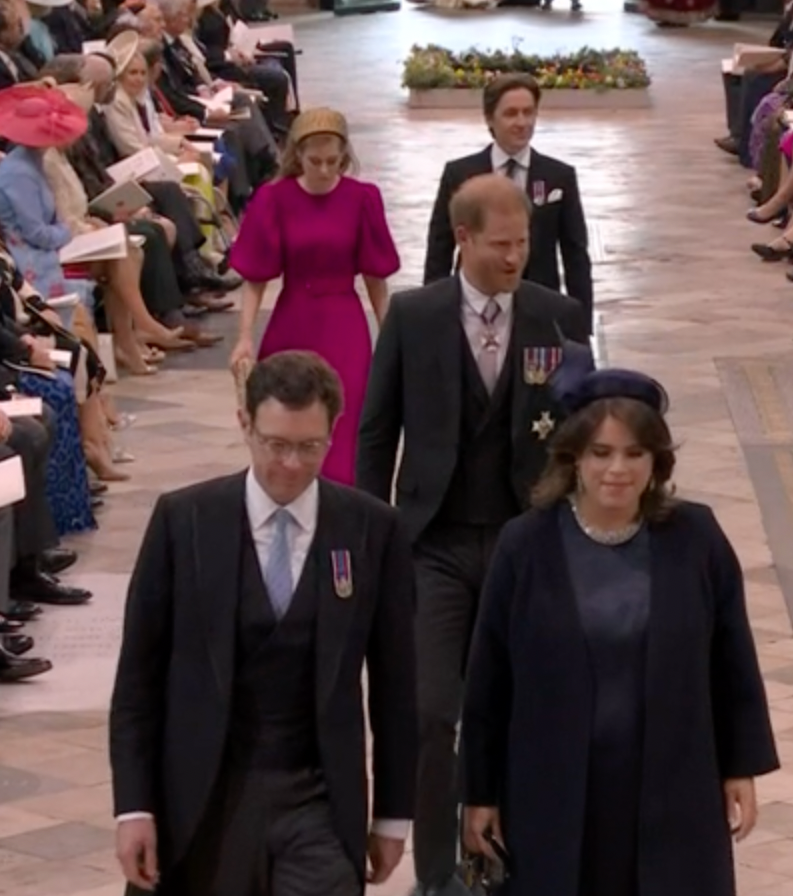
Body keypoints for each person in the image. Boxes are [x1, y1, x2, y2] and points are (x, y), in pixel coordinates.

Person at [461, 343, 779, 896]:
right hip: (553, 786)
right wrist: (479, 792)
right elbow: (490, 679)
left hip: (672, 782)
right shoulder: (525, 545)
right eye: (601, 452)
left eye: (634, 454)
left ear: (656, 462)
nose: (617, 469)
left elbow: (732, 662)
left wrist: (739, 767)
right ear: (573, 459)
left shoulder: (696, 538)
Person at [110, 351, 417, 896]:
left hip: (317, 797)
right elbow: (138, 682)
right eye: (276, 444)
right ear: (245, 424)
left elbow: (397, 686)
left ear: (333, 433)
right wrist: (134, 806)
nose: (292, 464)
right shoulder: (185, 523)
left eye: (309, 446)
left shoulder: (372, 530)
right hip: (206, 798)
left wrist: (393, 815)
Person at [357, 173, 587, 896]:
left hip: (525, 542)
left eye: (524, 243)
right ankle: (435, 876)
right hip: (435, 543)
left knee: (526, 704)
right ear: (463, 239)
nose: (516, 258)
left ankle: (510, 861)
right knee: (431, 713)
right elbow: (375, 432)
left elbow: (584, 430)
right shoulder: (415, 316)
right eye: (501, 245)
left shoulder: (557, 316)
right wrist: (375, 534)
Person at [228, 108, 399, 487]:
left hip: (344, 321)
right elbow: (255, 277)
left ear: (344, 156)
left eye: (333, 162)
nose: (324, 170)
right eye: (315, 161)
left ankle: (342, 499)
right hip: (294, 318)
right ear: (298, 157)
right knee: (286, 408)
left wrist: (388, 328)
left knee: (347, 414)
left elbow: (374, 275)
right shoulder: (275, 199)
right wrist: (244, 336)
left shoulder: (362, 198)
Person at [424, 74, 593, 336]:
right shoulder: (460, 174)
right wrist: (433, 316)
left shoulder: (559, 176)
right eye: (511, 113)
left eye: (529, 113)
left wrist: (581, 326)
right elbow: (439, 250)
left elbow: (576, 256)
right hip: (472, 311)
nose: (522, 122)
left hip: (540, 312)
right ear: (490, 118)